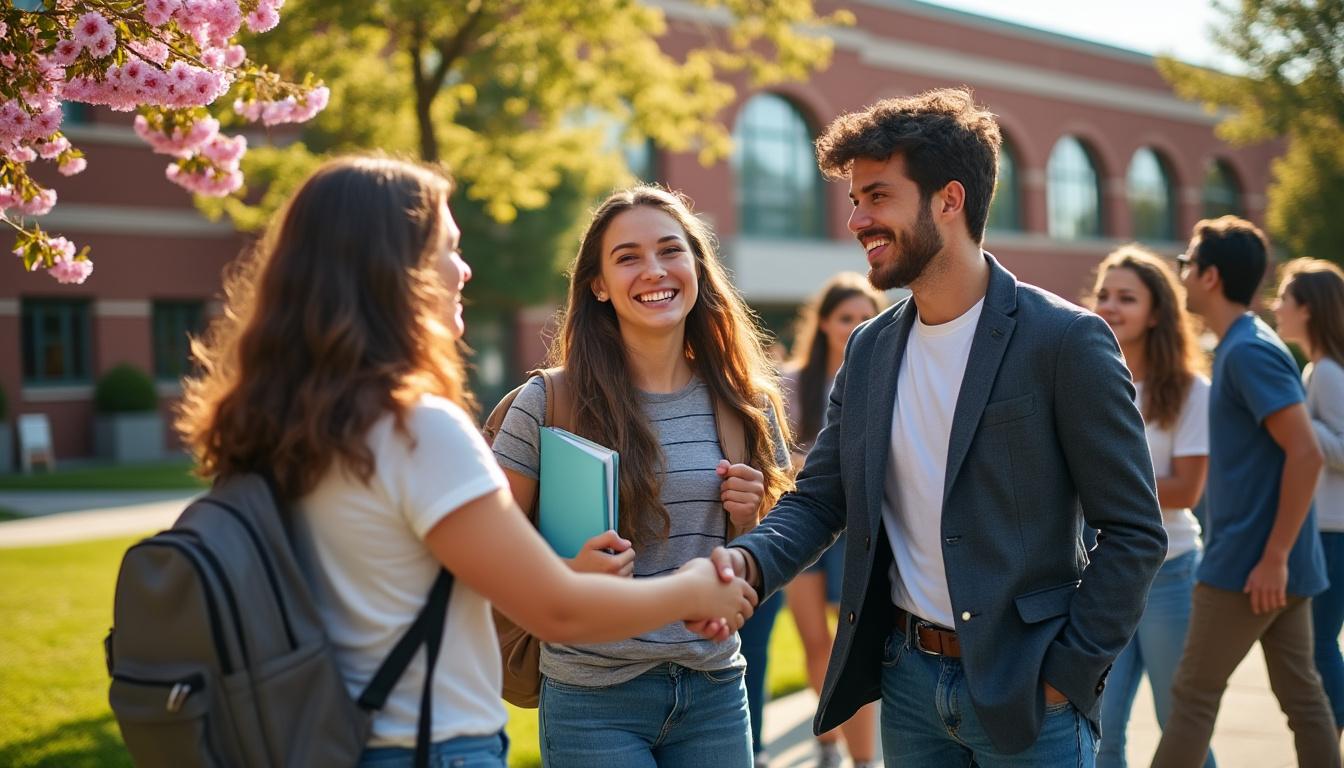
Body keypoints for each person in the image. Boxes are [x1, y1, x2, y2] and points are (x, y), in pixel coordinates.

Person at [174, 157, 759, 768]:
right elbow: (553, 605)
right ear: (394, 269)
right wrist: (692, 590)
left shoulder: (295, 426)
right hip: (430, 742)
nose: (465, 268)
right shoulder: (417, 430)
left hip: (330, 736)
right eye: (448, 249)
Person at [711, 87, 1167, 766]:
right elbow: (822, 500)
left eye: (878, 197)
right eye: (855, 200)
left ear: (949, 200)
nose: (857, 220)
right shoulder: (869, 349)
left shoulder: (1065, 341)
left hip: (1029, 695)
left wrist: (1068, 673)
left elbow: (1133, 530)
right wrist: (745, 564)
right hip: (908, 687)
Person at [490, 185, 792, 768]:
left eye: (670, 250)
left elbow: (768, 563)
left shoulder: (745, 403)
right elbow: (488, 553)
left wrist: (749, 519)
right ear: (598, 285)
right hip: (592, 698)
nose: (654, 270)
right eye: (627, 257)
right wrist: (564, 575)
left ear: (697, 267)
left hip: (713, 691)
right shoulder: (547, 402)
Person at [1151, 217, 1337, 768]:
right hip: (1270, 564)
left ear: (1209, 276)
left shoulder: (1249, 351)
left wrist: (1274, 558)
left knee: (1191, 699)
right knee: (1304, 700)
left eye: (1186, 264)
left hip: (1248, 568)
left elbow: (1307, 454)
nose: (1182, 275)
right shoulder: (1242, 345)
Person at [1088, 246, 1215, 768]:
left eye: (1127, 298)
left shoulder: (1191, 389)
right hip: (1101, 575)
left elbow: (1186, 490)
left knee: (1179, 726)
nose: (1109, 306)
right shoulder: (1083, 378)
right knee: (1099, 732)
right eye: (1104, 294)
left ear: (1157, 312)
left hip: (1172, 574)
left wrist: (1102, 484)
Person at [780, 272, 885, 768]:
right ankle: (827, 743)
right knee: (815, 644)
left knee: (851, 652)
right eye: (846, 317)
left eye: (867, 316)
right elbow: (775, 458)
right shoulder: (791, 383)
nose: (856, 326)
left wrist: (813, 465)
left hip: (857, 533)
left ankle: (862, 760)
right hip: (802, 525)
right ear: (824, 323)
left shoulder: (885, 379)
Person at [1273, 258, 1344, 739]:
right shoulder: (1321, 369)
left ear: (1309, 309)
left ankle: (1329, 742)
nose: (1276, 306)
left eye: (1284, 298)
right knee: (1317, 645)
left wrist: (1297, 422)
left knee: (1318, 645)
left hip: (1331, 530)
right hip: (1327, 529)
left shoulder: (1326, 372)